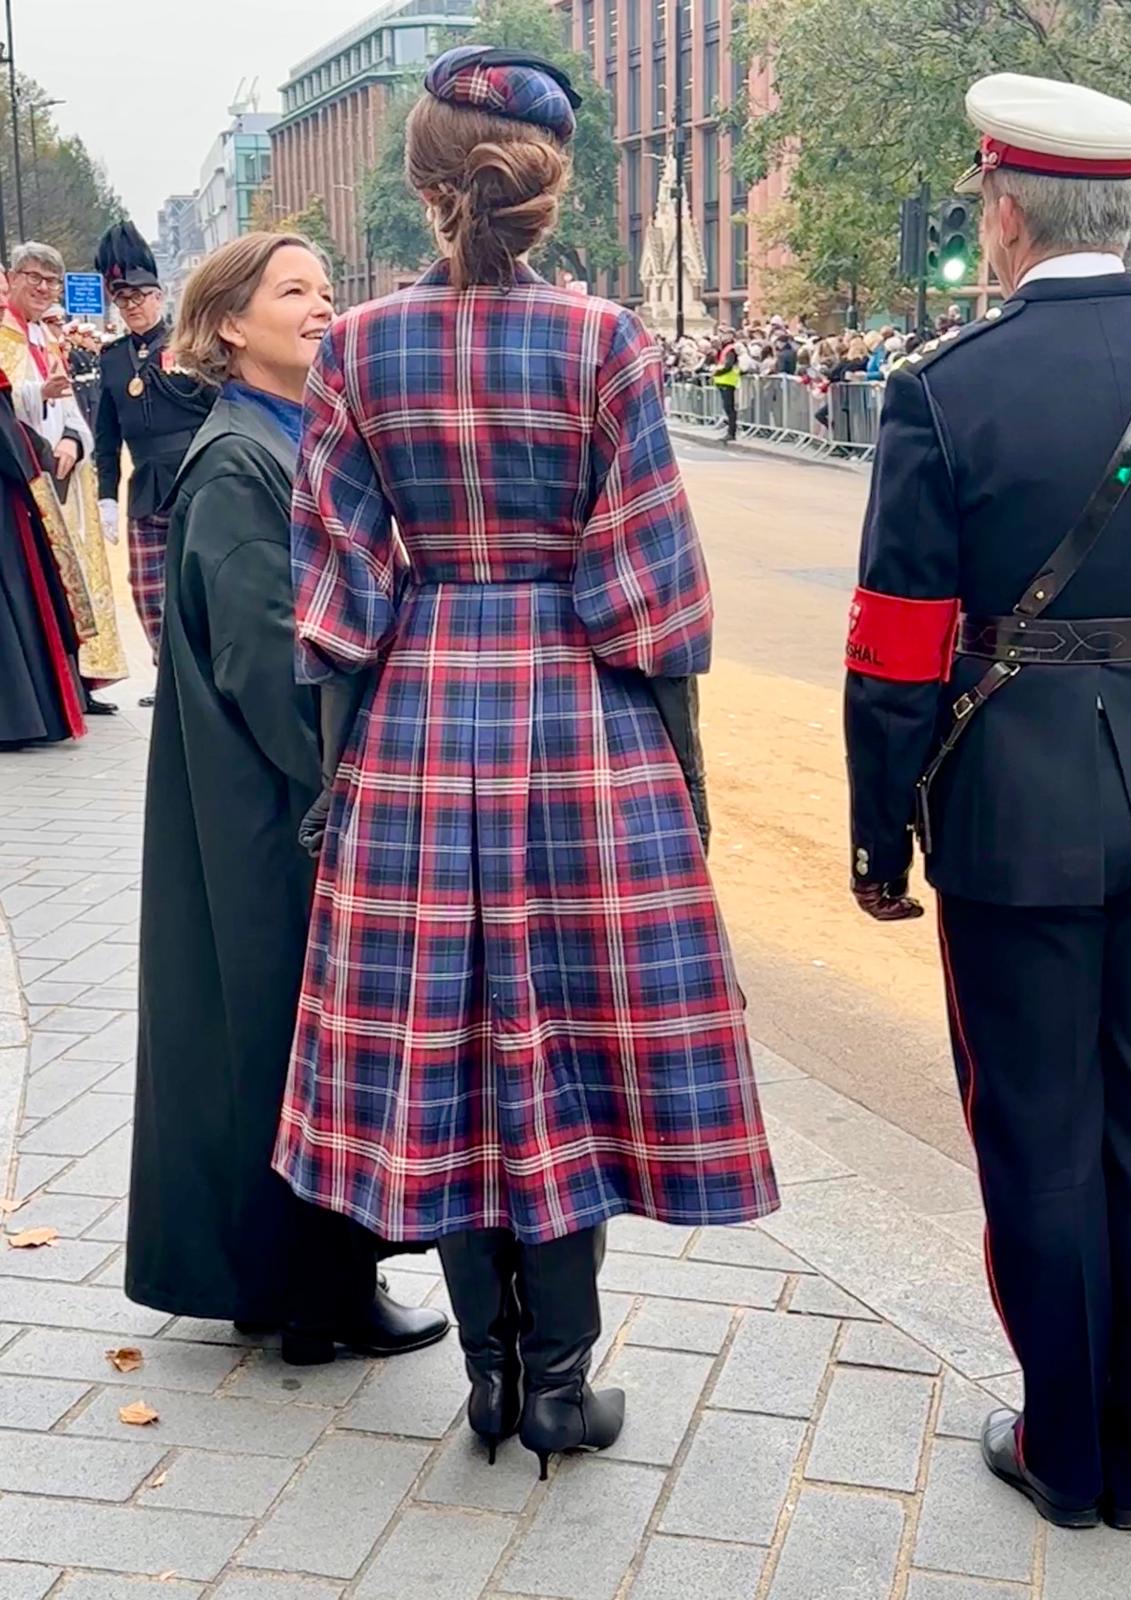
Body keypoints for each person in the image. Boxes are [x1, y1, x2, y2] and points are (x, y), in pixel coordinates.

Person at [273, 44, 778, 1473]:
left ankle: (487, 1381)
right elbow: (653, 596)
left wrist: (338, 776)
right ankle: (556, 1386)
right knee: (566, 1047)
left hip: (417, 728)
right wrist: (681, 784)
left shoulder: (356, 349)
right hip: (583, 731)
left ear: (426, 183)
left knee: (439, 1046)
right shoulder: (608, 341)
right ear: (548, 190)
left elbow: (332, 604)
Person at [844, 72, 1131, 1533]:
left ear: (1002, 211)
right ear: (1127, 207)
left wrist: (880, 830)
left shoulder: (945, 383)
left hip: (1016, 814)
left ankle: (1068, 1451)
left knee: (1037, 1134)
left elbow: (898, 643)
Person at [126, 231, 449, 1366]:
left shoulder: (290, 441)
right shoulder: (237, 461)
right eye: (293, 292)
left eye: (327, 289)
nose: (323, 308)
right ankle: (318, 1296)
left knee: (282, 1041)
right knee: (290, 1042)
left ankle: (300, 1290)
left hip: (276, 808)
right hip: (277, 815)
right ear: (229, 326)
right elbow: (271, 664)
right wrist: (352, 787)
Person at [0, 242, 127, 713]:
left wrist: (74, 438)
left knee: (76, 577)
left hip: (65, 473)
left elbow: (70, 405)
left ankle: (79, 679)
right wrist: (37, 393)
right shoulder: (4, 339)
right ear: (11, 278)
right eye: (33, 277)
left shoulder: (47, 339)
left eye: (51, 281)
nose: (43, 288)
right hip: (24, 476)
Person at [95, 222, 215, 709]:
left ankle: (201, 675)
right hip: (144, 482)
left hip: (193, 477)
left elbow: (215, 407)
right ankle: (167, 676)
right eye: (124, 301)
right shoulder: (113, 359)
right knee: (146, 590)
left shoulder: (188, 344)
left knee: (196, 586)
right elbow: (107, 436)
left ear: (159, 295)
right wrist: (106, 492)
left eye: (141, 297)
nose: (134, 307)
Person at [712, 328, 741, 440]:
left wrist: (717, 372)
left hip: (728, 381)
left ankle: (731, 433)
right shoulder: (724, 349)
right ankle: (730, 431)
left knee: (729, 408)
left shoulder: (730, 349)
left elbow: (728, 365)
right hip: (723, 381)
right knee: (727, 407)